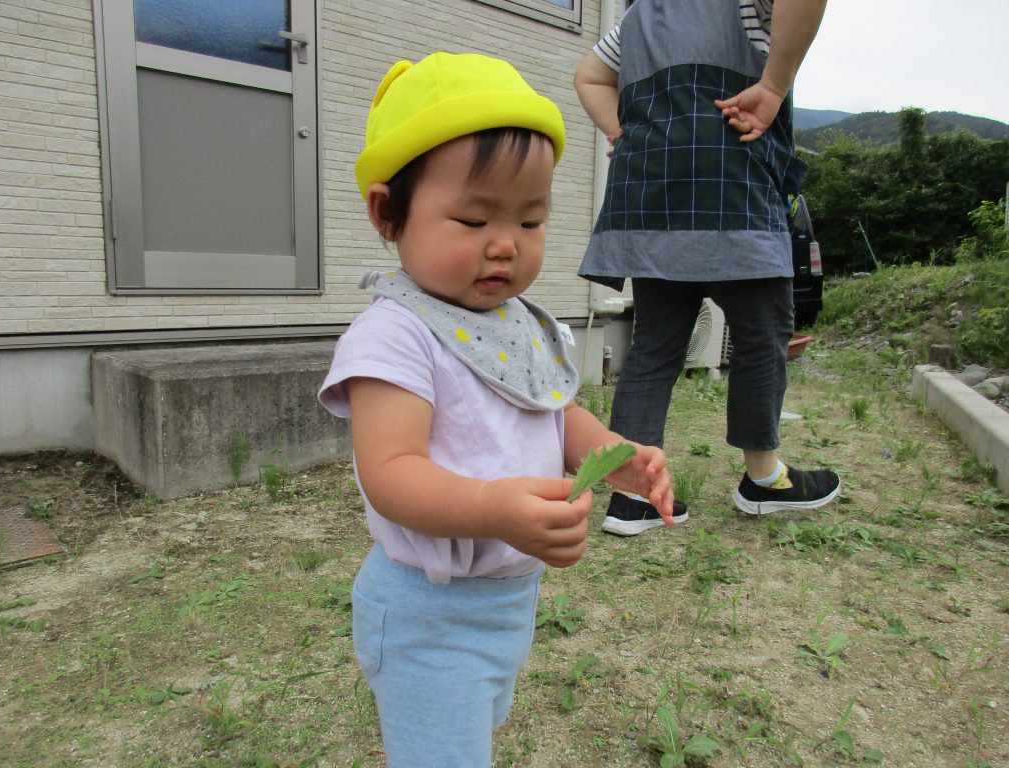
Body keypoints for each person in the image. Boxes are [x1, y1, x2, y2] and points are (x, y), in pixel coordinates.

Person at [318, 52, 676, 767]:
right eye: (474, 217)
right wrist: (490, 508)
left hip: (508, 603)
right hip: (429, 618)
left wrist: (616, 457)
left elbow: (552, 412)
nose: (506, 244)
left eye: (531, 220)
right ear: (389, 213)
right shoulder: (395, 334)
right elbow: (390, 471)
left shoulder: (518, 324)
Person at [574, 0, 840, 536]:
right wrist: (773, 85)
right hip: (733, 192)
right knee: (762, 336)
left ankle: (633, 495)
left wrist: (624, 133)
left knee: (654, 346)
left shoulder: (641, 13)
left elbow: (589, 76)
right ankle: (764, 479)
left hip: (655, 201)